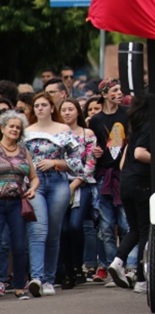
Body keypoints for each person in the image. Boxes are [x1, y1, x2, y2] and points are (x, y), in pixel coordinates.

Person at [24, 92, 83, 297]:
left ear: (51, 108)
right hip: (34, 182)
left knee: (53, 232)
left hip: (58, 181)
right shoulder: (26, 131)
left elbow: (77, 162)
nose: (40, 108)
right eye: (36, 105)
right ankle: (37, 278)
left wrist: (56, 163)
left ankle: (49, 280)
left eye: (43, 105)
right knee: (38, 230)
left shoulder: (64, 130)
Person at [108, 93, 151, 294]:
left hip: (126, 183)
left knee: (134, 229)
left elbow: (125, 160)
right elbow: (139, 153)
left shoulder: (134, 128)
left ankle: (118, 261)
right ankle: (142, 279)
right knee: (145, 231)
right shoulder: (150, 126)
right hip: (142, 183)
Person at [89, 79, 130, 284]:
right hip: (104, 177)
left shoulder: (127, 114)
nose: (119, 93)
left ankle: (129, 266)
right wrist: (95, 151)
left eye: (120, 89)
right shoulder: (95, 120)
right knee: (106, 226)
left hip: (123, 175)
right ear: (105, 94)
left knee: (126, 224)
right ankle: (110, 266)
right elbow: (92, 146)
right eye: (114, 90)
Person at [57, 99, 97, 290]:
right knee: (62, 229)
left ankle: (78, 266)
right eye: (63, 109)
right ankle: (67, 270)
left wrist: (75, 183)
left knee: (75, 226)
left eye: (70, 109)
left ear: (78, 111)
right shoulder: (56, 134)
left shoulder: (86, 133)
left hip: (82, 184)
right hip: (59, 183)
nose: (66, 113)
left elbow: (90, 162)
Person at [0, 109, 39, 300]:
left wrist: (32, 189)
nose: (15, 129)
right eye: (11, 126)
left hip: (17, 203)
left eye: (18, 127)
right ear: (2, 128)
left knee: (20, 245)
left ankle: (19, 286)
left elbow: (34, 177)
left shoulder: (24, 151)